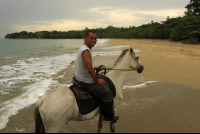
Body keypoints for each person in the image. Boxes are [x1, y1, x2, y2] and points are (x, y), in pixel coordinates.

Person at [74, 30, 119, 123]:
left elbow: (87, 65)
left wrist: (95, 68)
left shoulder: (84, 47)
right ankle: (107, 118)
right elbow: (89, 69)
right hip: (85, 80)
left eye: (95, 38)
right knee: (108, 94)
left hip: (78, 77)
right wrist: (97, 81)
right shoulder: (86, 50)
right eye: (91, 38)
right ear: (85, 38)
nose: (94, 40)